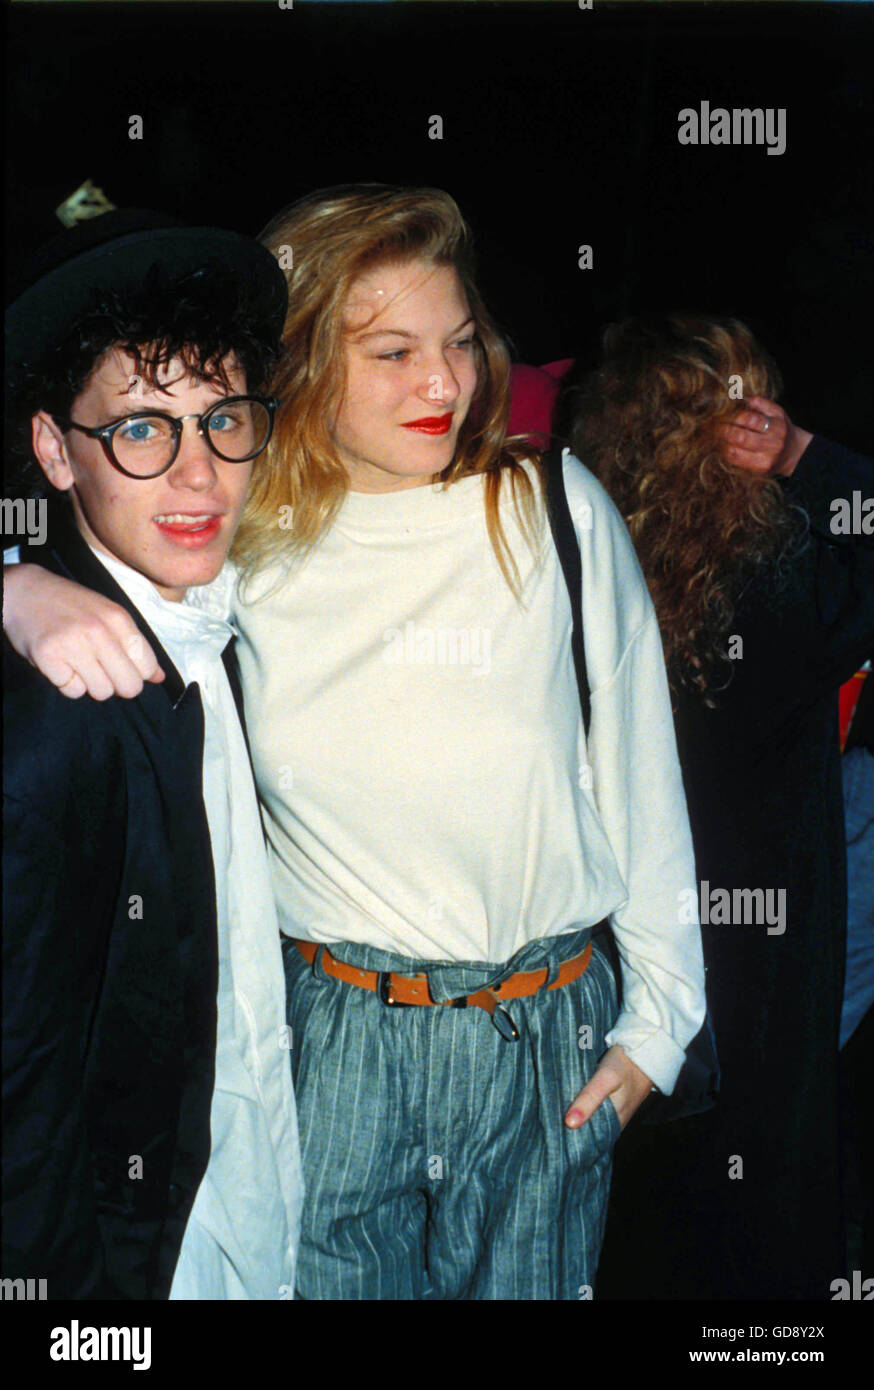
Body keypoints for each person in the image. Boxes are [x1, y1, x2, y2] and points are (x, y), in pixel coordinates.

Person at [3, 186, 705, 1300]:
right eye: (391, 351)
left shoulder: (552, 510)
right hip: (336, 1042)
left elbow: (644, 777)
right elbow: (113, 535)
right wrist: (12, 581)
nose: (443, 384)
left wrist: (654, 1036)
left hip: (544, 1041)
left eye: (461, 343)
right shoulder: (244, 544)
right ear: (307, 364)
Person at [2, 209, 303, 1299]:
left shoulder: (212, 623)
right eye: (140, 429)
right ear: (53, 450)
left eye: (222, 419)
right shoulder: (60, 711)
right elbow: (23, 1094)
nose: (197, 474)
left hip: (241, 1188)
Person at [563, 313, 874, 1299]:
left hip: (633, 909)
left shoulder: (586, 540)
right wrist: (806, 458)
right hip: (767, 915)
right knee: (760, 1159)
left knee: (650, 1144)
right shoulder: (774, 559)